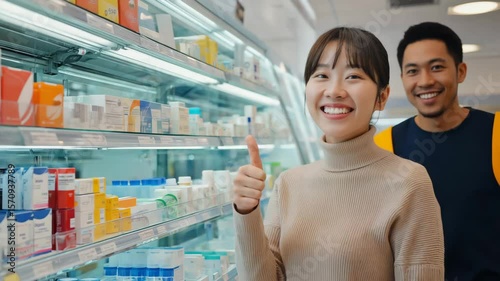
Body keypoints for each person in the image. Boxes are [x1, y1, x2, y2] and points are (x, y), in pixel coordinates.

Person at [232, 27, 444, 281]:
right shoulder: (288, 184)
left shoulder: (409, 182)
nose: (334, 90)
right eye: (321, 75)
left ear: (382, 97)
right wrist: (246, 212)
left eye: (353, 76)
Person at [374, 22, 500, 281]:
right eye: (412, 71)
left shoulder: (496, 132)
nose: (425, 81)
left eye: (437, 67)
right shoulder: (386, 146)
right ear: (403, 79)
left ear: (460, 71)